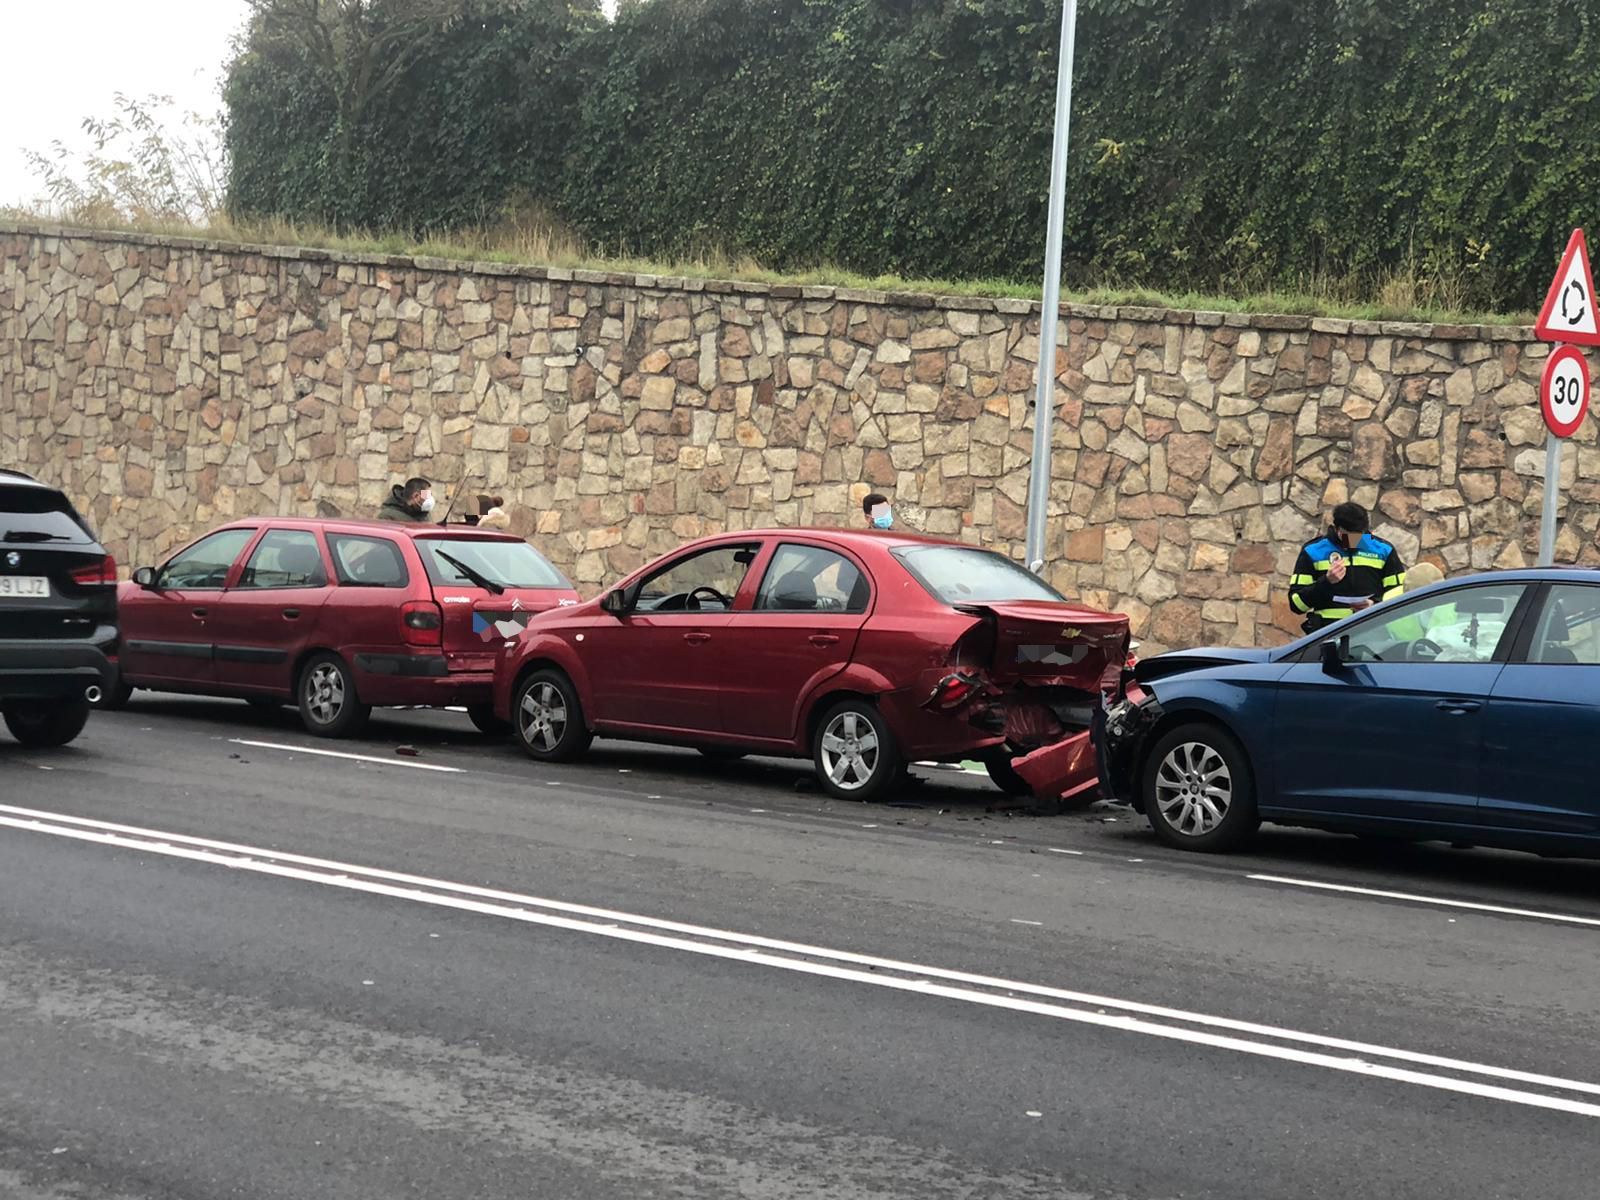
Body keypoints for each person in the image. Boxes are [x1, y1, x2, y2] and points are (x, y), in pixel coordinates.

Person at [1287, 501, 1406, 633]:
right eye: (1347, 536)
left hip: (1372, 633)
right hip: (1327, 635)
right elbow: (1296, 605)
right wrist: (1326, 582)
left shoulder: (1383, 550)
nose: (1352, 541)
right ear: (1337, 528)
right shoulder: (1313, 551)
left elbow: (1400, 595)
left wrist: (1374, 604)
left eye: (1358, 536)